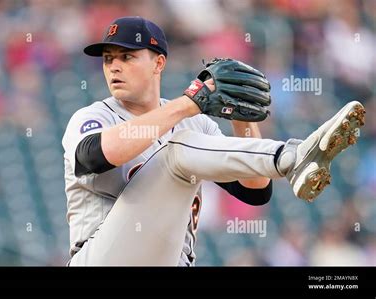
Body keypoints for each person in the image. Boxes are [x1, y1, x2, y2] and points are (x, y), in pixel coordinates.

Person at [61, 16, 365, 266]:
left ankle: (295, 157)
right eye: (108, 59)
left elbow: (254, 190)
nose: (114, 66)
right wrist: (187, 103)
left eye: (127, 57)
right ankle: (294, 156)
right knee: (176, 148)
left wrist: (240, 114)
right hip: (101, 257)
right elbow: (95, 155)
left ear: (158, 64)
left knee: (182, 142)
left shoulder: (195, 122)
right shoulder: (95, 116)